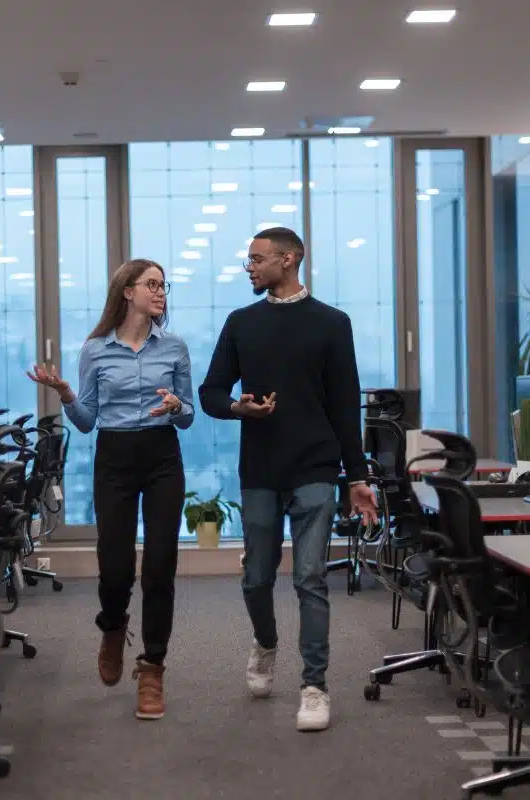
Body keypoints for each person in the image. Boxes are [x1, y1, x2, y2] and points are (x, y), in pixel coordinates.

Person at [198, 226, 378, 732]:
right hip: (260, 468)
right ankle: (267, 643)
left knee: (310, 577)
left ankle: (315, 686)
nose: (249, 268)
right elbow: (211, 391)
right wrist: (240, 408)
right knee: (257, 577)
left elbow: (345, 406)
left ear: (290, 259)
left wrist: (357, 477)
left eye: (257, 259)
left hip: (316, 467)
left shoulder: (331, 323)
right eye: (248, 260)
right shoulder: (241, 323)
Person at [27, 258, 193, 721]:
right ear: (128, 291)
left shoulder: (175, 348)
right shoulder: (96, 350)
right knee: (115, 567)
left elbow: (189, 415)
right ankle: (113, 627)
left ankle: (153, 667)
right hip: (115, 459)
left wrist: (178, 405)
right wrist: (64, 393)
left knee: (160, 564)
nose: (161, 292)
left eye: (164, 285)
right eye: (153, 284)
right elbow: (85, 423)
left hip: (162, 457)